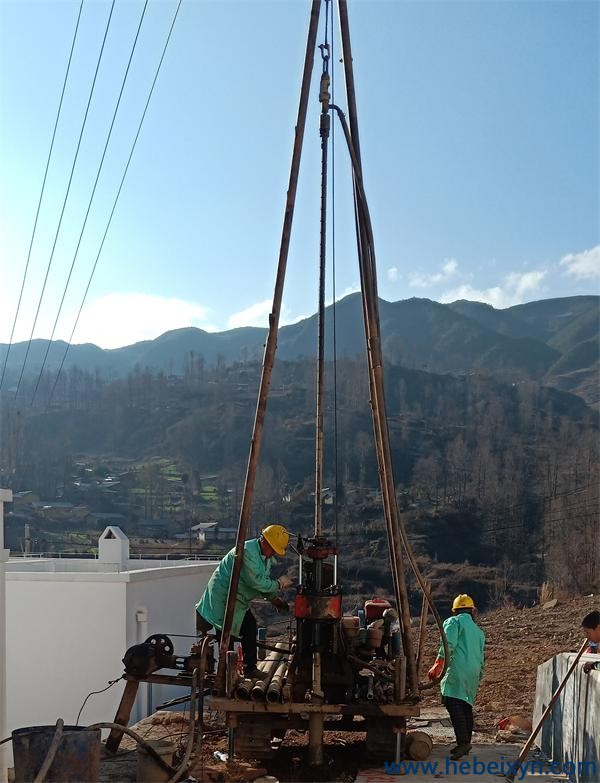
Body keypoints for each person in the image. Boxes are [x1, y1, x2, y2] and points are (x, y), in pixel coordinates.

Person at [195, 524, 292, 679]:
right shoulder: (247, 553)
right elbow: (257, 583)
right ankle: (226, 673)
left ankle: (249, 669)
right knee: (226, 637)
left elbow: (262, 583)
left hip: (238, 600)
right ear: (265, 541)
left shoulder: (263, 557)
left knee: (249, 628)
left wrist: (275, 600)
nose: (274, 553)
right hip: (224, 598)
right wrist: (279, 583)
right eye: (273, 549)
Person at [428, 594, 485, 761]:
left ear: (455, 610)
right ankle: (465, 743)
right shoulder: (478, 631)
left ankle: (463, 742)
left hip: (458, 669)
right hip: (473, 671)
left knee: (452, 702)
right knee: (465, 704)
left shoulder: (454, 622)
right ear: (472, 611)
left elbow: (448, 645)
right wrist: (479, 674)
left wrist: (437, 666)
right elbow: (482, 656)